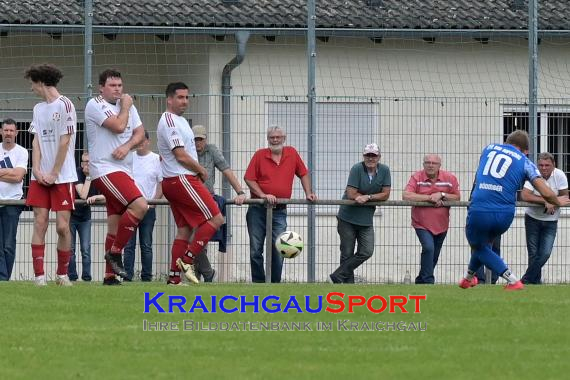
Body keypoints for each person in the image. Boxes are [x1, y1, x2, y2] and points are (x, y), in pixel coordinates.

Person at [459, 130, 570, 290]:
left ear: (506, 142)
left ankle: (512, 280)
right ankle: (468, 278)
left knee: (477, 244)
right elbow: (545, 192)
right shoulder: (526, 162)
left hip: (481, 208)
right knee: (483, 245)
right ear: (526, 151)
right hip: (505, 213)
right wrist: (556, 201)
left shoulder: (489, 149)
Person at [157, 82, 224, 286]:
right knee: (216, 219)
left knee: (184, 230)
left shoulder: (181, 121)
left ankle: (174, 278)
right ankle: (187, 260)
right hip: (181, 178)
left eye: (187, 97)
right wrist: (201, 170)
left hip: (175, 181)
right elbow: (180, 155)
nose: (184, 101)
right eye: (180, 97)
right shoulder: (169, 121)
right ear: (169, 99)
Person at [85, 68, 148, 285]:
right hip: (105, 169)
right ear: (101, 88)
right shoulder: (95, 105)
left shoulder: (128, 106)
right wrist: (127, 106)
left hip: (124, 169)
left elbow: (140, 134)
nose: (118, 90)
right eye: (112, 86)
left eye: (120, 86)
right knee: (140, 206)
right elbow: (120, 126)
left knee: (114, 224)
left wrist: (127, 146)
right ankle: (115, 252)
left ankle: (109, 276)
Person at [24, 64, 77, 287]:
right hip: (40, 177)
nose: (32, 89)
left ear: (41, 82)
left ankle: (62, 275)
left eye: (32, 84)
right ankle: (39, 277)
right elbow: (36, 140)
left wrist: (54, 172)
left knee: (62, 227)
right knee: (40, 223)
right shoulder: (38, 108)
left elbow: (65, 141)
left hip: (62, 176)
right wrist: (36, 170)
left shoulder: (66, 104)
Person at [244, 126, 317, 283]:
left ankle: (274, 284)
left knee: (279, 249)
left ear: (284, 138)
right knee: (255, 249)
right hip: (258, 209)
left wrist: (308, 192)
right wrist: (263, 195)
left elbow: (303, 173)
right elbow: (249, 178)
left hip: (279, 211)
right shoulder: (259, 155)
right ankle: (258, 283)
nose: (275, 140)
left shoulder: (292, 153)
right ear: (268, 139)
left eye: (278, 137)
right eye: (272, 137)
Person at [192, 124, 247, 282]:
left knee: (200, 238)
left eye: (200, 140)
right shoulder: (187, 152)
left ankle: (200, 276)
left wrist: (240, 192)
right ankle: (208, 274)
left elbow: (226, 170)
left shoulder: (212, 150)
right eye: (195, 139)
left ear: (205, 139)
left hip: (207, 198)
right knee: (194, 239)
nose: (198, 143)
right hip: (190, 199)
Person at [329, 143, 391, 284]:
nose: (371, 158)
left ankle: (338, 274)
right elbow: (351, 193)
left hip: (366, 219)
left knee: (367, 251)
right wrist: (360, 196)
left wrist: (368, 197)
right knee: (347, 252)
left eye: (373, 155)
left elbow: (386, 194)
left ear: (379, 157)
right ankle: (348, 285)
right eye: (368, 155)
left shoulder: (385, 171)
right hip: (347, 217)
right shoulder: (357, 168)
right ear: (363, 156)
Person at [402, 154, 460, 284]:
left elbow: (457, 197)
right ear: (423, 164)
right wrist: (430, 198)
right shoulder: (417, 177)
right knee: (428, 248)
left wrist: (442, 195)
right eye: (427, 162)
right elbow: (406, 195)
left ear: (440, 165)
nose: (430, 165)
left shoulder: (450, 178)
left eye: (434, 163)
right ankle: (428, 281)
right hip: (421, 223)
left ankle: (421, 280)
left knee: (434, 254)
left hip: (442, 225)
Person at [520, 152, 568, 284]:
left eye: (547, 165)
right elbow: (525, 196)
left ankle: (525, 279)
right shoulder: (533, 174)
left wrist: (553, 201)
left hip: (551, 221)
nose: (544, 168)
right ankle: (535, 283)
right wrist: (546, 200)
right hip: (532, 218)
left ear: (554, 165)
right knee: (533, 254)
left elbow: (565, 198)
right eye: (541, 165)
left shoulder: (560, 175)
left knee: (545, 253)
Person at [123, 131, 163, 282]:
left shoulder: (155, 159)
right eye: (136, 140)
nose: (139, 143)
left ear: (148, 141)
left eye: (142, 140)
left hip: (148, 208)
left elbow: (161, 184)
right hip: (131, 208)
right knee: (128, 245)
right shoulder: (129, 158)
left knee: (146, 245)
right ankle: (127, 275)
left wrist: (153, 203)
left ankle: (146, 277)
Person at [68, 152, 104, 282]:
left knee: (86, 249)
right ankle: (72, 277)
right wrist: (88, 177)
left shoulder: (98, 174)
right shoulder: (77, 172)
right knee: (70, 249)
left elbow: (108, 194)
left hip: (85, 217)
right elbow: (83, 195)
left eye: (89, 162)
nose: (86, 165)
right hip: (71, 216)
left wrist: (96, 197)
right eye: (84, 162)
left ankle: (87, 277)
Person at [0, 119, 28, 281]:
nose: (8, 133)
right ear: (1, 132)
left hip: (13, 203)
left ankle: (6, 278)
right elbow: (13, 174)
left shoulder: (21, 152)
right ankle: (2, 279)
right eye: (6, 130)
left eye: (11, 131)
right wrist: (8, 172)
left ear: (16, 133)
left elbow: (18, 177)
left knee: (8, 245)